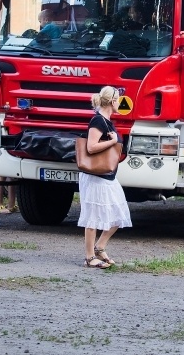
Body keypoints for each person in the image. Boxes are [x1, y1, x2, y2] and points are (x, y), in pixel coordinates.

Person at [79, 86, 132, 268]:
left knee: (119, 213)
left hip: (107, 175)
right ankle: (89, 257)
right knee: (93, 216)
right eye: (118, 100)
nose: (120, 103)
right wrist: (112, 141)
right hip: (96, 175)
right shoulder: (98, 121)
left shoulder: (107, 121)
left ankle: (100, 247)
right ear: (111, 101)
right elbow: (91, 147)